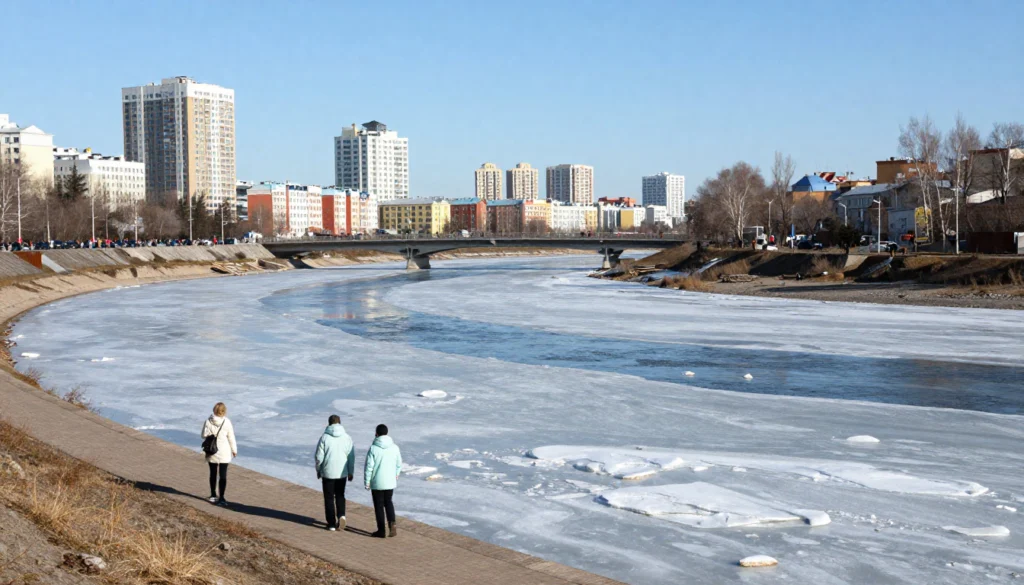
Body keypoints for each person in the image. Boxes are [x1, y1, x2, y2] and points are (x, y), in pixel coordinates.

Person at [314, 414, 355, 531]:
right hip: (342, 473)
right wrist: (350, 472)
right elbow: (351, 457)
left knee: (329, 497)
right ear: (340, 423)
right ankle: (341, 515)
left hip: (327, 472)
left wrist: (318, 470)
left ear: (329, 424)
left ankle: (331, 523)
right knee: (340, 495)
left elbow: (319, 457)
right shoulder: (347, 438)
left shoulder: (324, 438)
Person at [364, 424, 402, 538]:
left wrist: (367, 482)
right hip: (390, 481)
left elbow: (369, 467)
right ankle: (392, 524)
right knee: (388, 502)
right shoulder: (394, 447)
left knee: (379, 506)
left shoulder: (373, 448)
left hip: (377, 482)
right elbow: (398, 464)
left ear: (376, 434)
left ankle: (381, 530)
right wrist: (396, 475)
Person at [201, 402, 237, 506]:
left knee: (213, 473)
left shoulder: (208, 421)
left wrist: (211, 434)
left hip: (212, 451)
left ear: (214, 410)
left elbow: (203, 435)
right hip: (224, 452)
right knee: (223, 475)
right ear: (224, 411)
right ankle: (222, 497)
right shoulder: (227, 422)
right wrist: (234, 450)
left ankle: (213, 495)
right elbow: (231, 437)